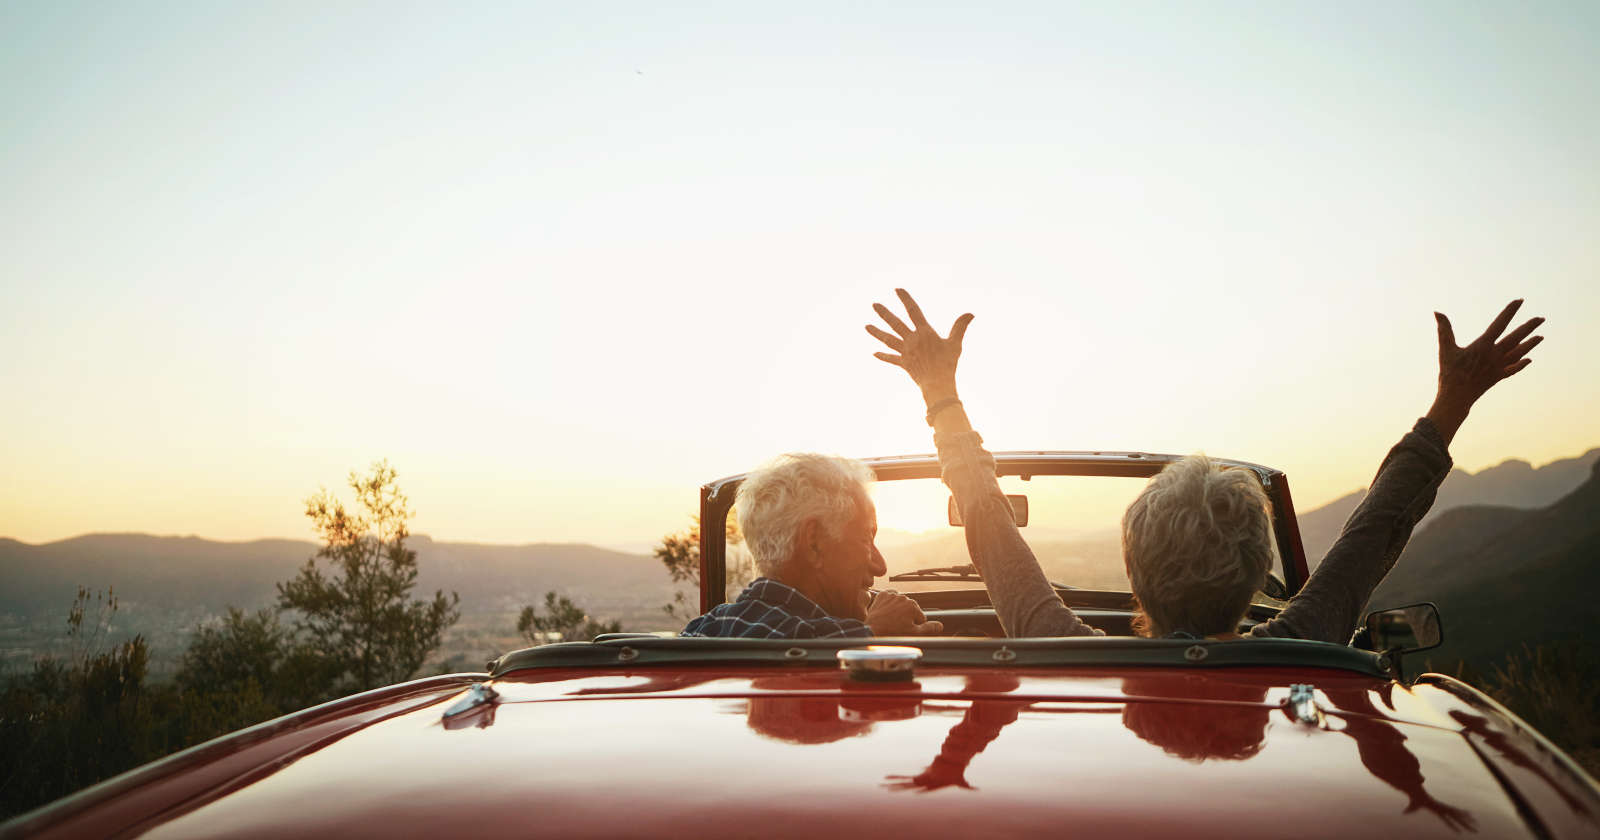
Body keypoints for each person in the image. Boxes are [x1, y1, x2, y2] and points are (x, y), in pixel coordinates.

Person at [866, 289, 1544, 642]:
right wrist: (1451, 401)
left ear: (1134, 570)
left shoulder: (1057, 641)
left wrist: (940, 397)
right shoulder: (1303, 639)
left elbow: (987, 521)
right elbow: (1379, 526)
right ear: (1255, 576)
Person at [680, 452, 945, 638]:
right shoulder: (793, 637)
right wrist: (872, 635)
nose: (880, 566)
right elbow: (781, 648)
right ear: (814, 541)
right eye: (866, 538)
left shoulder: (704, 630)